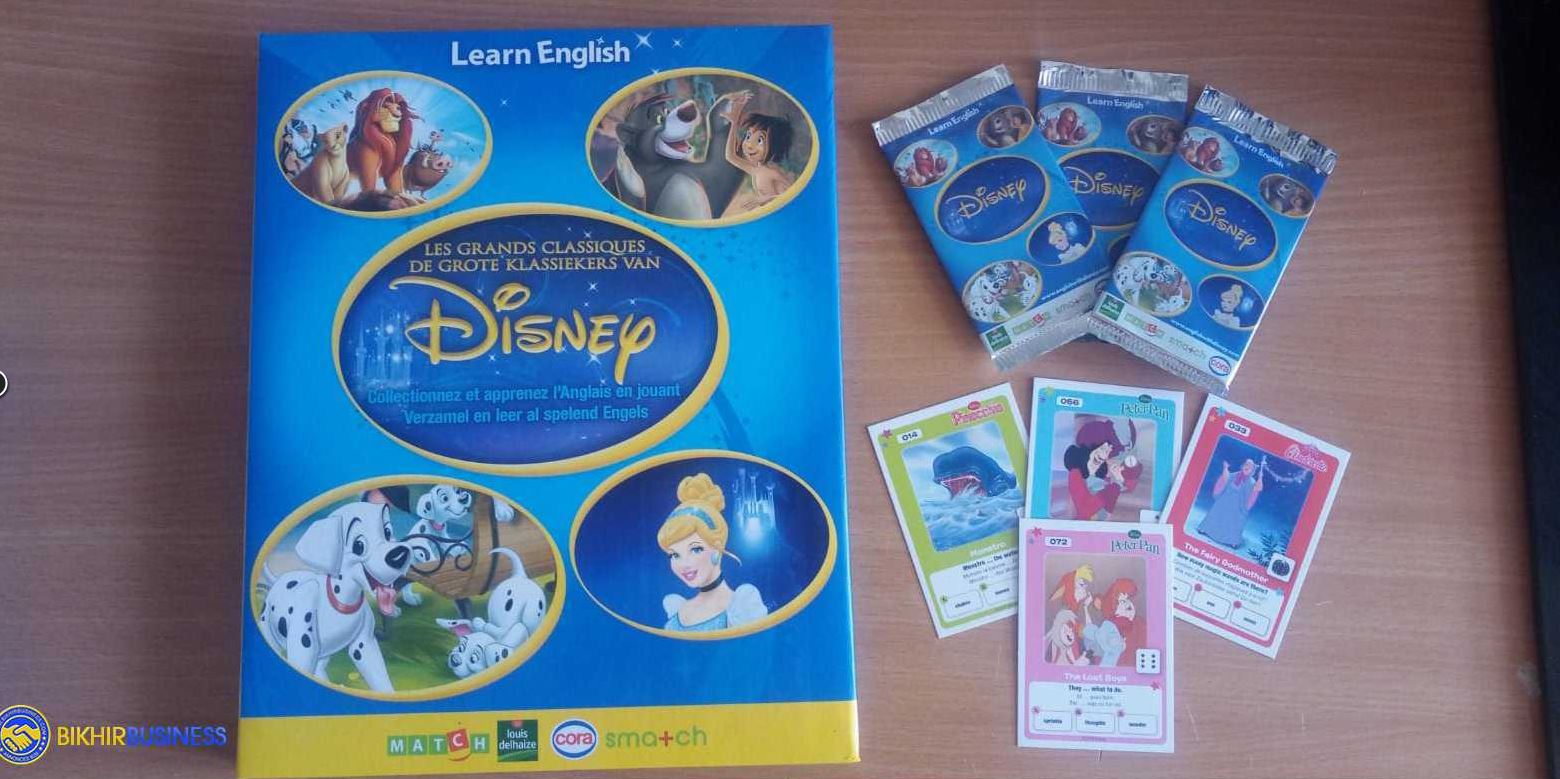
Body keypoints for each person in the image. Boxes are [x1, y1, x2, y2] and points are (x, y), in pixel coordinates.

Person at [658, 473, 768, 632]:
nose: (684, 564)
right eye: (675, 555)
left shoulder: (741, 609)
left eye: (695, 549)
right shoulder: (677, 609)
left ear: (717, 548)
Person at [721, 91, 796, 217]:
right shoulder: (756, 169)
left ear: (774, 145)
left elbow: (793, 197)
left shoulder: (773, 173)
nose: (749, 144)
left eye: (760, 140)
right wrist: (734, 123)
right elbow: (730, 156)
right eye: (748, 136)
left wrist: (766, 199)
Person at [1197, 457, 1265, 549]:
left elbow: (1257, 488)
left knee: (1235, 520)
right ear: (1242, 466)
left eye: (1249, 467)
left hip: (1238, 506)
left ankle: (1232, 541)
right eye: (1246, 465)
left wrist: (1260, 478)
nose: (1247, 467)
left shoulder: (1251, 482)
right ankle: (1206, 529)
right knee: (1217, 513)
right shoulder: (1235, 475)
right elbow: (1226, 478)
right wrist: (1225, 468)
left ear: (1252, 471)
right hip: (1225, 500)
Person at [1083, 578, 1143, 666]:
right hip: (1109, 637)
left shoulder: (1127, 611)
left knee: (1091, 631)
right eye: (1121, 601)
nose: (1125, 603)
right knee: (1090, 630)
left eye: (1126, 598)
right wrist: (1085, 608)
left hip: (1113, 637)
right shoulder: (1109, 622)